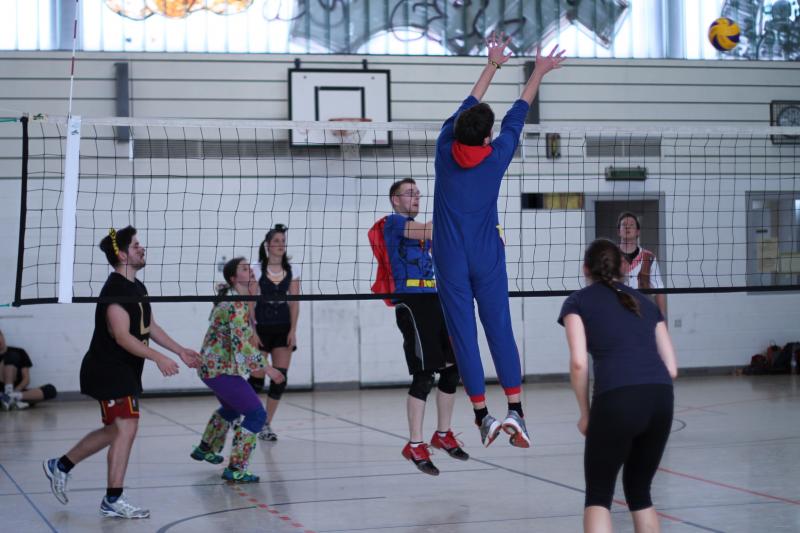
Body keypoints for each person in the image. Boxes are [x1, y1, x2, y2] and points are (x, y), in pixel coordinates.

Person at [432, 32, 566, 447]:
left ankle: (481, 416)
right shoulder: (497, 155)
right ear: (487, 138)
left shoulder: (443, 146)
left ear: (459, 132)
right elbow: (517, 113)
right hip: (487, 254)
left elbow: (469, 103)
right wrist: (538, 72)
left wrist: (492, 63)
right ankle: (516, 411)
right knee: (500, 330)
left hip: (449, 256)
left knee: (463, 336)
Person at [42, 226, 200, 519]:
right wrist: (158, 358)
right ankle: (112, 499)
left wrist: (179, 350)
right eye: (136, 245)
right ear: (122, 255)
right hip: (107, 370)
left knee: (116, 429)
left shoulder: (137, 287)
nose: (142, 249)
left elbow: (149, 326)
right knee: (126, 427)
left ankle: (60, 465)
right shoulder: (115, 290)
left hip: (123, 369)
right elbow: (122, 336)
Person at [558, 239, 678, 533]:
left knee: (599, 495)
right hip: (661, 399)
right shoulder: (646, 303)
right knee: (640, 492)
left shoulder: (577, 302)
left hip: (618, 399)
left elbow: (579, 363)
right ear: (623, 267)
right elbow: (672, 369)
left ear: (585, 269)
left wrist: (586, 414)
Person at [368, 178, 469, 476]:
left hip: (435, 298)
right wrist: (455, 206)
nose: (416, 197)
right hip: (412, 302)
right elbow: (430, 229)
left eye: (418, 194)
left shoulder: (422, 230)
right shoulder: (394, 223)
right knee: (424, 374)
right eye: (410, 193)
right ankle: (415, 444)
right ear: (395, 199)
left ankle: (443, 434)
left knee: (452, 368)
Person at [191, 257, 281, 483]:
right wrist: (268, 369)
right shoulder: (234, 304)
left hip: (213, 367)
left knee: (231, 409)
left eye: (249, 267)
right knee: (257, 415)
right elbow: (242, 344)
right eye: (244, 268)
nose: (250, 270)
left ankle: (205, 447)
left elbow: (241, 337)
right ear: (233, 278)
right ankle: (236, 468)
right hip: (219, 369)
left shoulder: (235, 299)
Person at [247, 224, 300, 441]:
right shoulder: (256, 269)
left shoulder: (292, 269)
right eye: (276, 241)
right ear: (267, 245)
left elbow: (295, 303)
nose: (280, 245)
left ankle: (265, 424)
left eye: (283, 241)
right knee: (256, 381)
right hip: (261, 329)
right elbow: (250, 303)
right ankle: (243, 415)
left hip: (283, 329)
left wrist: (293, 330)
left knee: (280, 379)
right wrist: (252, 331)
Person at [617, 212, 667, 318]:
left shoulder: (649, 257)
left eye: (631, 225)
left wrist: (662, 318)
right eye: (624, 224)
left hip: (641, 314)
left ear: (638, 232)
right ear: (618, 231)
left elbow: (659, 289)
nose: (627, 227)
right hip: (615, 313)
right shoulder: (610, 256)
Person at [0, 329, 57, 410]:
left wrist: (15, 392)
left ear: (2, 335)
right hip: (1, 392)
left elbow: (26, 379)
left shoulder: (19, 352)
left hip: (17, 391)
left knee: (50, 390)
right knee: (11, 356)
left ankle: (10, 397)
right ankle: (11, 401)